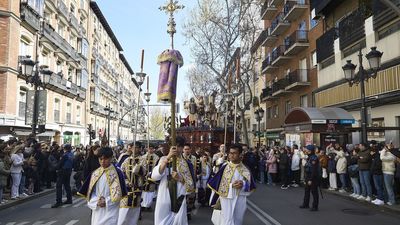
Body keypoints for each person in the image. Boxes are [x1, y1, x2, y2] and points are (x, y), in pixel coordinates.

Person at [208, 144, 256, 225]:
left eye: (234, 153)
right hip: (227, 198)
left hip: (240, 198)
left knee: (238, 220)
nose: (231, 155)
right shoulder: (224, 167)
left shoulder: (245, 169)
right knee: (227, 220)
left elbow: (251, 185)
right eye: (230, 153)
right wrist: (231, 186)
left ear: (240, 154)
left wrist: (243, 184)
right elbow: (216, 183)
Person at [151, 137, 195, 225]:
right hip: (164, 197)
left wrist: (180, 178)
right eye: (174, 146)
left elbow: (191, 187)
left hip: (178, 198)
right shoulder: (163, 159)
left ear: (182, 148)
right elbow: (155, 177)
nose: (176, 149)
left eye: (179, 146)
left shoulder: (187, 164)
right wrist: (167, 158)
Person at [78, 147, 127, 225]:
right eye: (100, 159)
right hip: (97, 211)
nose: (102, 161)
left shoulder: (117, 173)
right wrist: (96, 202)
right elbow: (90, 193)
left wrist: (106, 201)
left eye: (105, 159)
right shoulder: (95, 173)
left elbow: (120, 193)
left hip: (111, 210)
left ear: (111, 158)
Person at [118, 146, 145, 225]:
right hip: (127, 188)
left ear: (139, 149)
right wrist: (126, 181)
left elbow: (145, 173)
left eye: (136, 148)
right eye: (133, 148)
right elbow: (121, 172)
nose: (134, 149)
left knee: (134, 211)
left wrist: (137, 167)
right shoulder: (126, 160)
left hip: (137, 188)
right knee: (123, 210)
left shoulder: (142, 160)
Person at [52, 144, 74, 208]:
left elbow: (60, 164)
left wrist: (55, 168)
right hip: (69, 171)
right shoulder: (71, 154)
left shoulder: (65, 155)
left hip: (63, 171)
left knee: (58, 186)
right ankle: (69, 199)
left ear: (65, 148)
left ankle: (59, 201)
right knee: (67, 185)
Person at [299, 145, 320, 211]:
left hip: (313, 177)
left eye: (307, 150)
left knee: (314, 192)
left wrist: (311, 179)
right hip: (308, 176)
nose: (306, 151)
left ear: (310, 151)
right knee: (307, 191)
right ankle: (305, 204)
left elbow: (314, 170)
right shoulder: (309, 157)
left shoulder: (314, 158)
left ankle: (315, 206)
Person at [141, 145, 160, 211]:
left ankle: (148, 205)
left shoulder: (157, 157)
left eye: (152, 149)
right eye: (149, 148)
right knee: (144, 190)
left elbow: (157, 166)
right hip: (144, 176)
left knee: (150, 191)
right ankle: (143, 205)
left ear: (154, 149)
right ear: (147, 149)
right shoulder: (143, 157)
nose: (150, 150)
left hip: (152, 175)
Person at [182, 144, 197, 220]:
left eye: (188, 149)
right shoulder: (181, 158)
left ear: (190, 149)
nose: (186, 151)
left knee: (191, 198)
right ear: (183, 150)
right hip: (183, 181)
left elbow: (195, 169)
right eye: (185, 149)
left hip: (192, 180)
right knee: (183, 198)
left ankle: (188, 212)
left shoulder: (194, 158)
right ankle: (182, 212)